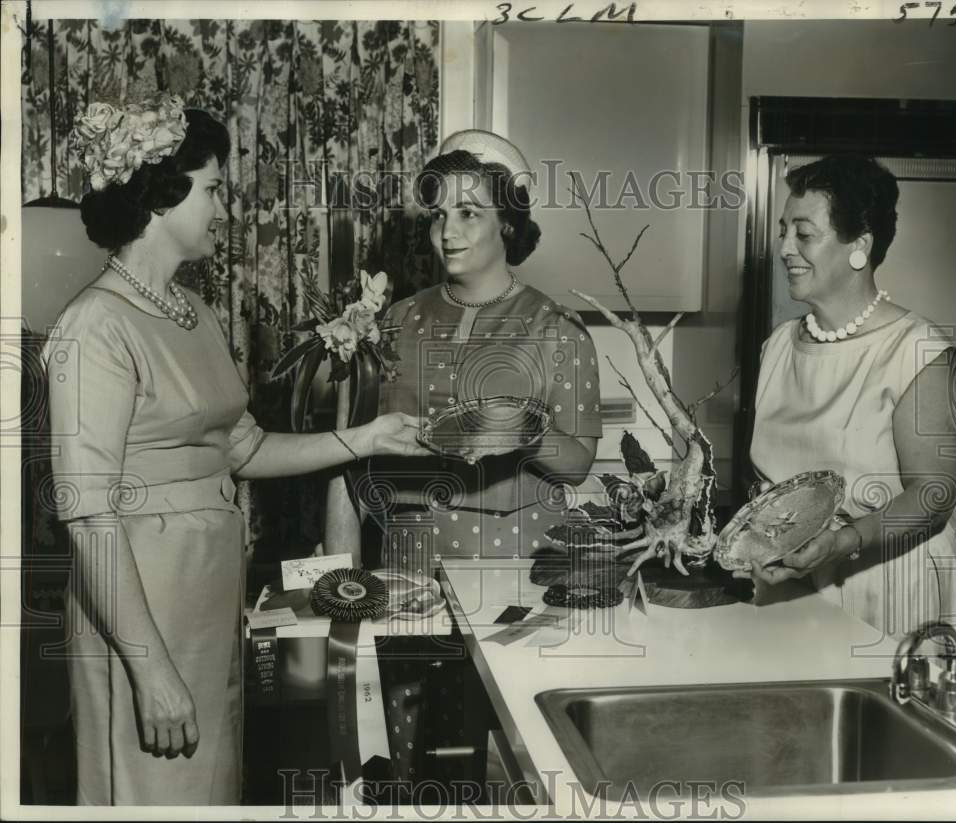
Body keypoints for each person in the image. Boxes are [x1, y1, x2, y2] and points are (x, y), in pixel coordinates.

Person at [43, 95, 426, 805]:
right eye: (213, 188)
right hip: (143, 612)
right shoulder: (93, 327)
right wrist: (151, 670)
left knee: (209, 791)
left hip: (207, 600)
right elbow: (88, 515)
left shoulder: (194, 311)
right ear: (161, 193)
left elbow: (244, 448)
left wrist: (367, 437)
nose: (224, 208)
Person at [741, 155, 956, 658]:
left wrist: (842, 541)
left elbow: (934, 497)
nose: (783, 249)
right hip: (798, 585)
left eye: (803, 235)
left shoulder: (917, 350)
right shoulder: (778, 346)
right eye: (784, 231)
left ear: (859, 247)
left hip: (891, 591)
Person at [371, 130, 603, 574]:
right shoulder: (395, 319)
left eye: (469, 213)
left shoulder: (556, 327)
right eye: (439, 216)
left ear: (508, 223)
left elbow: (576, 466)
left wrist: (523, 430)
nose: (448, 233)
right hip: (407, 558)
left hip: (512, 560)